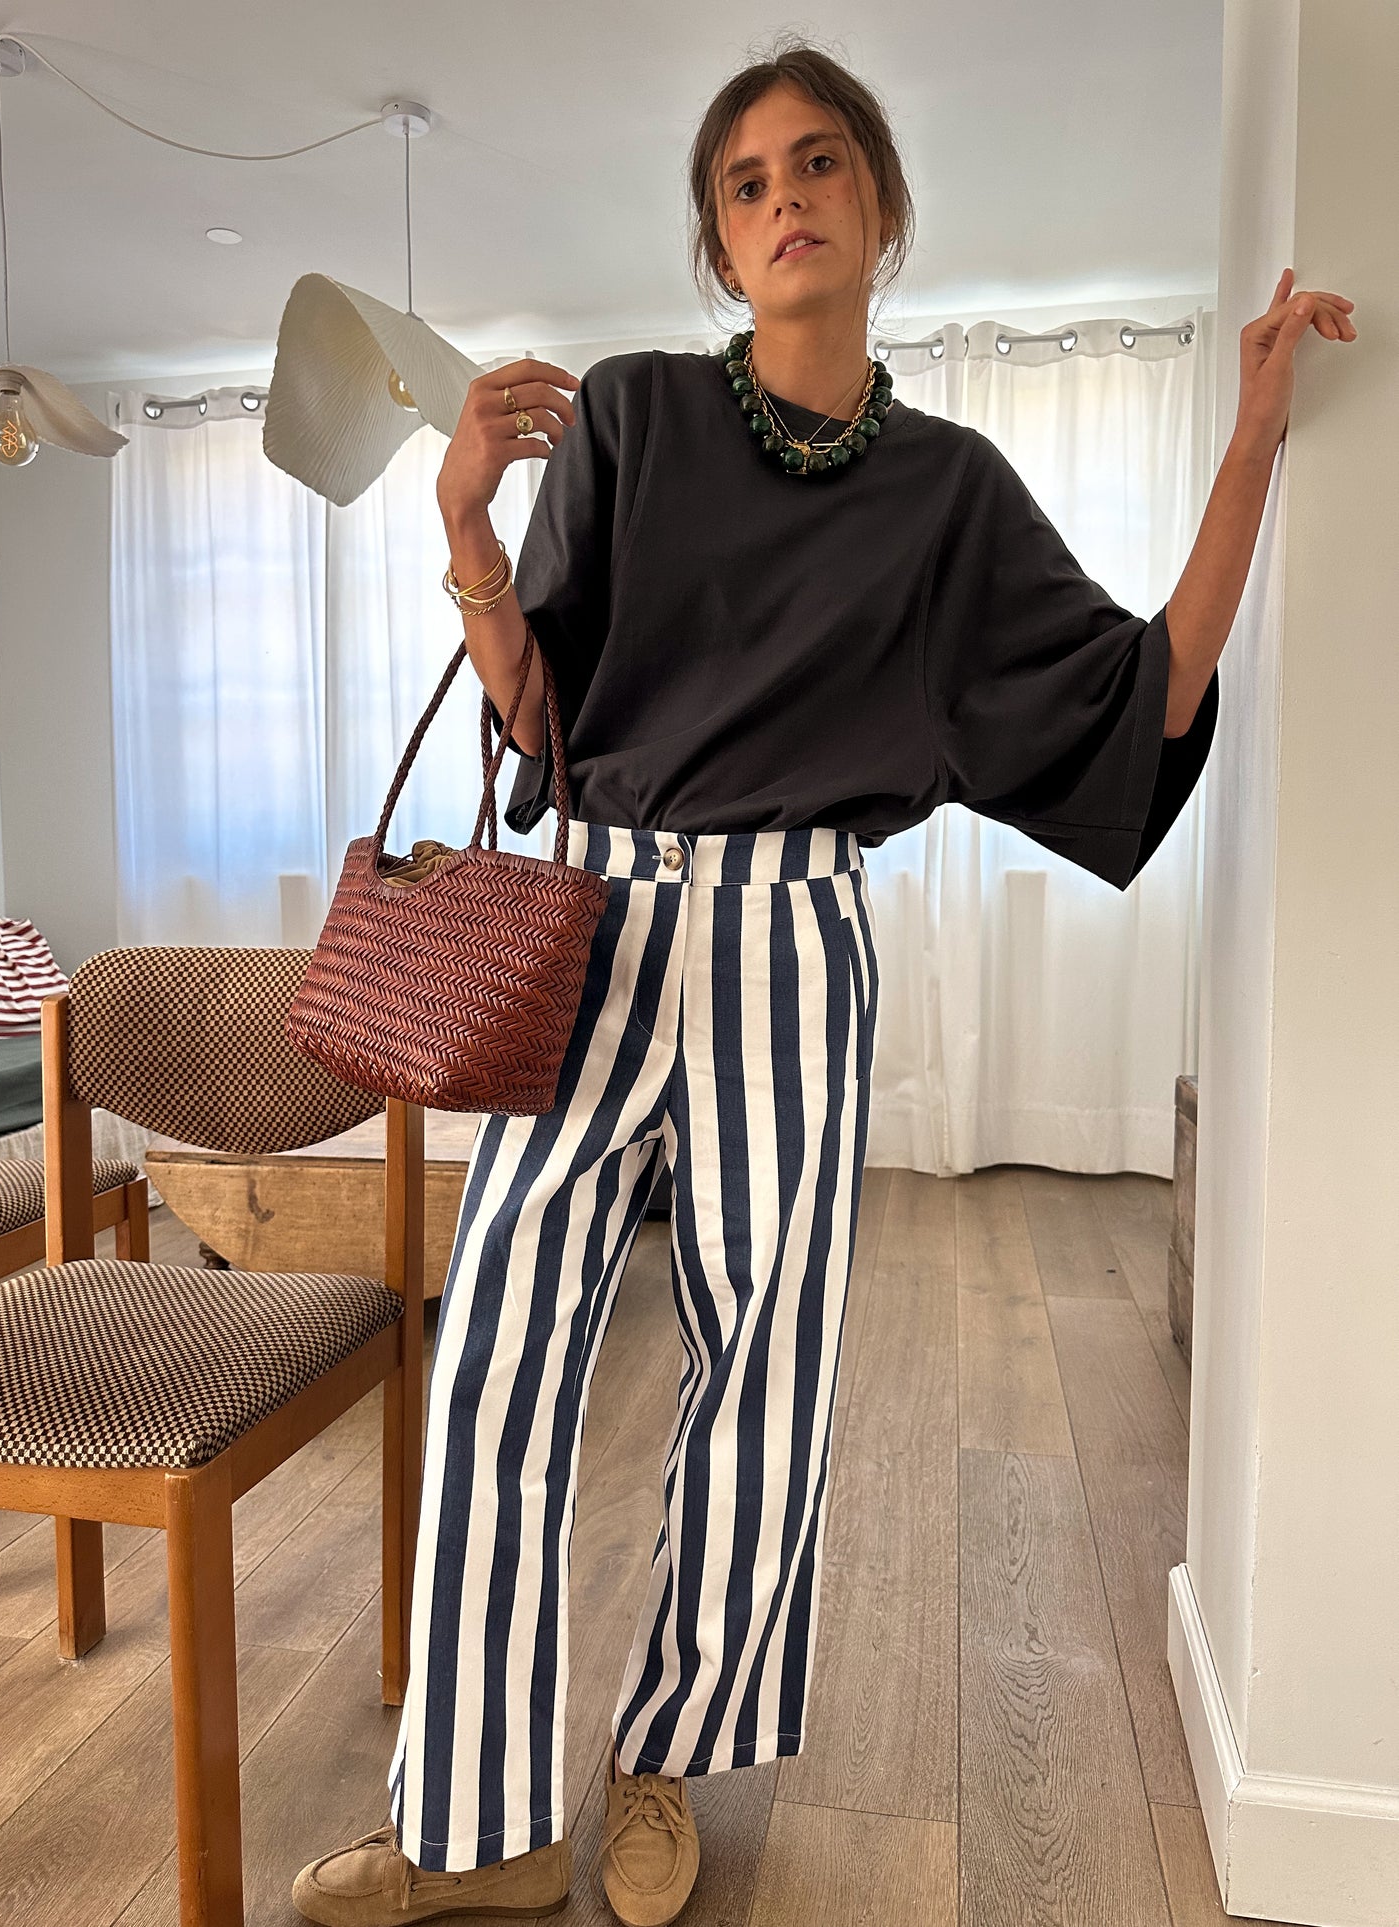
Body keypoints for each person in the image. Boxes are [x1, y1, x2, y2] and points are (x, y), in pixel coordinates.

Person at [291, 39, 1356, 1927]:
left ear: (877, 206)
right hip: (595, 926)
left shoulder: (950, 493)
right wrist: (463, 526)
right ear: (719, 244)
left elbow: (1140, 692)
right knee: (495, 1369)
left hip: (795, 942)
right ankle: (471, 1827)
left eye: (817, 164)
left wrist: (1256, 442)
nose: (783, 198)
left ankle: (661, 1767)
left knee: (764, 1383)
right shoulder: (632, 416)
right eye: (746, 181)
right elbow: (537, 718)